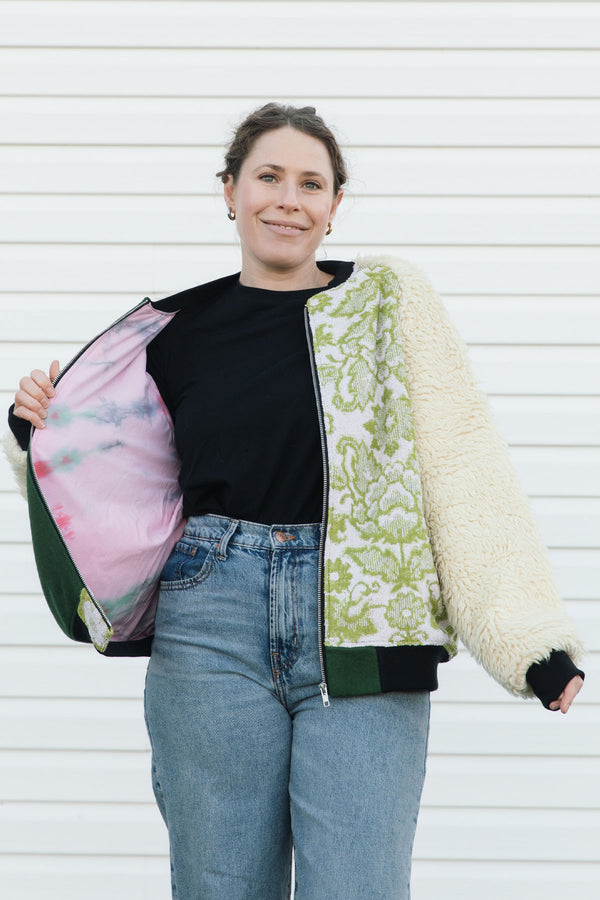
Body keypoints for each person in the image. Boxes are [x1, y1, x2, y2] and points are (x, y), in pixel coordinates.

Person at [5, 102, 585, 899]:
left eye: (312, 183)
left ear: (335, 205)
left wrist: (527, 640)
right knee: (219, 885)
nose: (289, 198)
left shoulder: (389, 302)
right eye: (268, 177)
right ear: (230, 192)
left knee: (359, 884)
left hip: (369, 612)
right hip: (211, 615)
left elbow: (462, 459)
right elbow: (116, 487)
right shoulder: (172, 333)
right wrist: (36, 431)